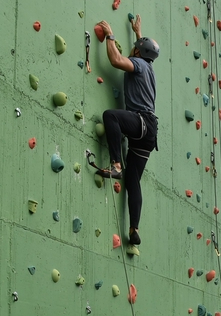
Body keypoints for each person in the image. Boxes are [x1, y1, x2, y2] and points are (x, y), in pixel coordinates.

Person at [90, 16, 159, 247]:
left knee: (111, 116)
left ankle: (116, 165)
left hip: (141, 123)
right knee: (133, 181)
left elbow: (117, 60)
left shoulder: (138, 64)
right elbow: (141, 52)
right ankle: (134, 229)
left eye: (135, 48)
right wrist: (138, 32)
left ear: (138, 53)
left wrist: (110, 35)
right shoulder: (148, 67)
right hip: (149, 133)